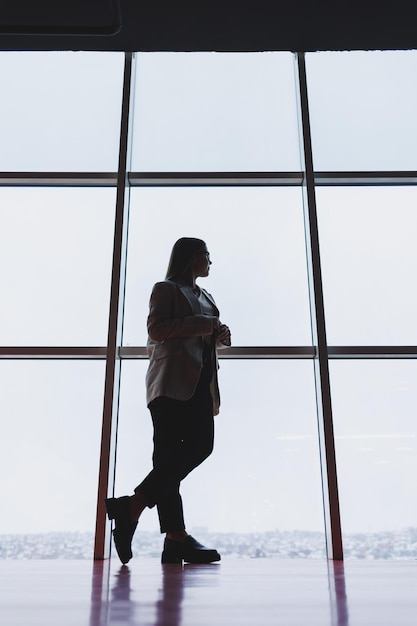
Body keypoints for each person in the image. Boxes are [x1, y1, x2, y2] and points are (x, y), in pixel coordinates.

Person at [105, 237, 231, 565]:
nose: (210, 263)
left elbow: (204, 338)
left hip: (202, 386)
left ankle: (132, 506)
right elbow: (157, 329)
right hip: (170, 384)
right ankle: (175, 540)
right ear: (191, 258)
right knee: (170, 458)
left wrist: (220, 337)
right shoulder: (165, 289)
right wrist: (205, 326)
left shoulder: (207, 296)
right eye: (207, 256)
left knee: (199, 447)